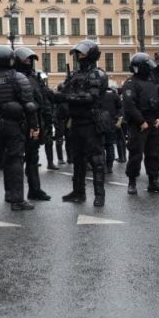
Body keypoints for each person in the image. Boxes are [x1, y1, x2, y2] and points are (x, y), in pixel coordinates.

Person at [0, 46, 37, 210]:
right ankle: (17, 200)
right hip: (13, 126)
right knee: (15, 160)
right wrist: (34, 125)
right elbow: (29, 105)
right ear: (11, 60)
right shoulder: (18, 77)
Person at [57, 40, 109, 207]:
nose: (79, 56)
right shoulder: (73, 74)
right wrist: (53, 94)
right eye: (78, 53)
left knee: (96, 160)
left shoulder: (97, 74)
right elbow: (63, 90)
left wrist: (66, 97)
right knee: (77, 158)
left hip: (91, 121)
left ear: (92, 55)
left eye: (83, 53)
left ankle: (99, 195)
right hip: (76, 121)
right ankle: (78, 191)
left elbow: (90, 97)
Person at [122, 52, 159, 196]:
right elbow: (129, 105)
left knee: (155, 154)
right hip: (138, 124)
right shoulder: (131, 83)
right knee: (136, 155)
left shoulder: (153, 82)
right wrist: (141, 121)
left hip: (153, 122)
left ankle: (154, 182)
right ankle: (132, 182)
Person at [14, 47, 51, 201]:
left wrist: (48, 121)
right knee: (15, 159)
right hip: (18, 123)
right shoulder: (13, 77)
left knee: (33, 157)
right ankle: (14, 193)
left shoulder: (36, 78)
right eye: (26, 59)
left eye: (31, 59)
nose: (29, 62)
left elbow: (44, 99)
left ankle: (34, 189)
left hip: (34, 122)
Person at [99, 82, 123, 175]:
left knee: (101, 146)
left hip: (100, 123)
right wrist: (117, 119)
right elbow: (120, 108)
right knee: (110, 145)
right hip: (111, 122)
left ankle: (103, 166)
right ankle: (109, 167)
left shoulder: (98, 95)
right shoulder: (115, 95)